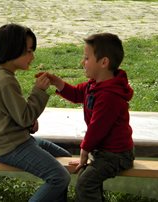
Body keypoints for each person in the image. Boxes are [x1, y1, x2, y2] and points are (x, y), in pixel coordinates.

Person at [0, 23, 71, 202]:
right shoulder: (4, 81)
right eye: (28, 51)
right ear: (12, 49)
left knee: (65, 159)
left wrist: (29, 123)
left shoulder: (3, 75)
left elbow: (19, 116)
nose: (32, 56)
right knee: (59, 177)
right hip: (10, 146)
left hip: (18, 139)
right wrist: (38, 92)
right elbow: (25, 116)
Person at [47, 33, 135, 202]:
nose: (82, 62)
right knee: (89, 178)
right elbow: (76, 93)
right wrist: (57, 82)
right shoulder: (94, 85)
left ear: (104, 62)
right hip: (104, 151)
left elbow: (97, 128)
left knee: (85, 183)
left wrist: (84, 151)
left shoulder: (110, 95)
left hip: (116, 155)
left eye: (86, 58)